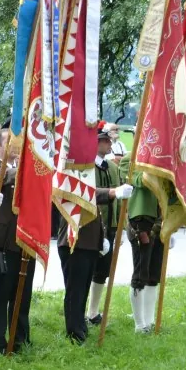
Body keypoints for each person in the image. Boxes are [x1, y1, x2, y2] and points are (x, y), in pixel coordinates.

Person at [56, 131, 132, 343]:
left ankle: (80, 327)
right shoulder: (73, 171)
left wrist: (104, 236)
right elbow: (84, 193)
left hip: (89, 240)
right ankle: (74, 332)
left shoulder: (94, 168)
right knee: (75, 290)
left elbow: (97, 211)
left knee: (82, 288)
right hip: (74, 240)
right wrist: (113, 193)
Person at [0, 125, 35, 353]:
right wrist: (28, 168)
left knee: (22, 293)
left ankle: (21, 337)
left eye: (18, 144)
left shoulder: (23, 168)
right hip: (1, 243)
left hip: (24, 239)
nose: (16, 149)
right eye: (10, 144)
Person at [119, 149, 166, 333]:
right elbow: (138, 180)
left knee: (154, 274)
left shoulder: (159, 157)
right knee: (140, 274)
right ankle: (140, 324)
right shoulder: (128, 159)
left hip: (159, 218)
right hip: (141, 220)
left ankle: (149, 320)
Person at [87, 131, 123, 325]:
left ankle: (93, 311)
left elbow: (117, 202)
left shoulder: (112, 167)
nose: (110, 144)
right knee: (88, 269)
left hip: (109, 226)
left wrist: (118, 228)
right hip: (92, 226)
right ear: (96, 142)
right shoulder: (87, 166)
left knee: (103, 271)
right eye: (105, 141)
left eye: (110, 141)